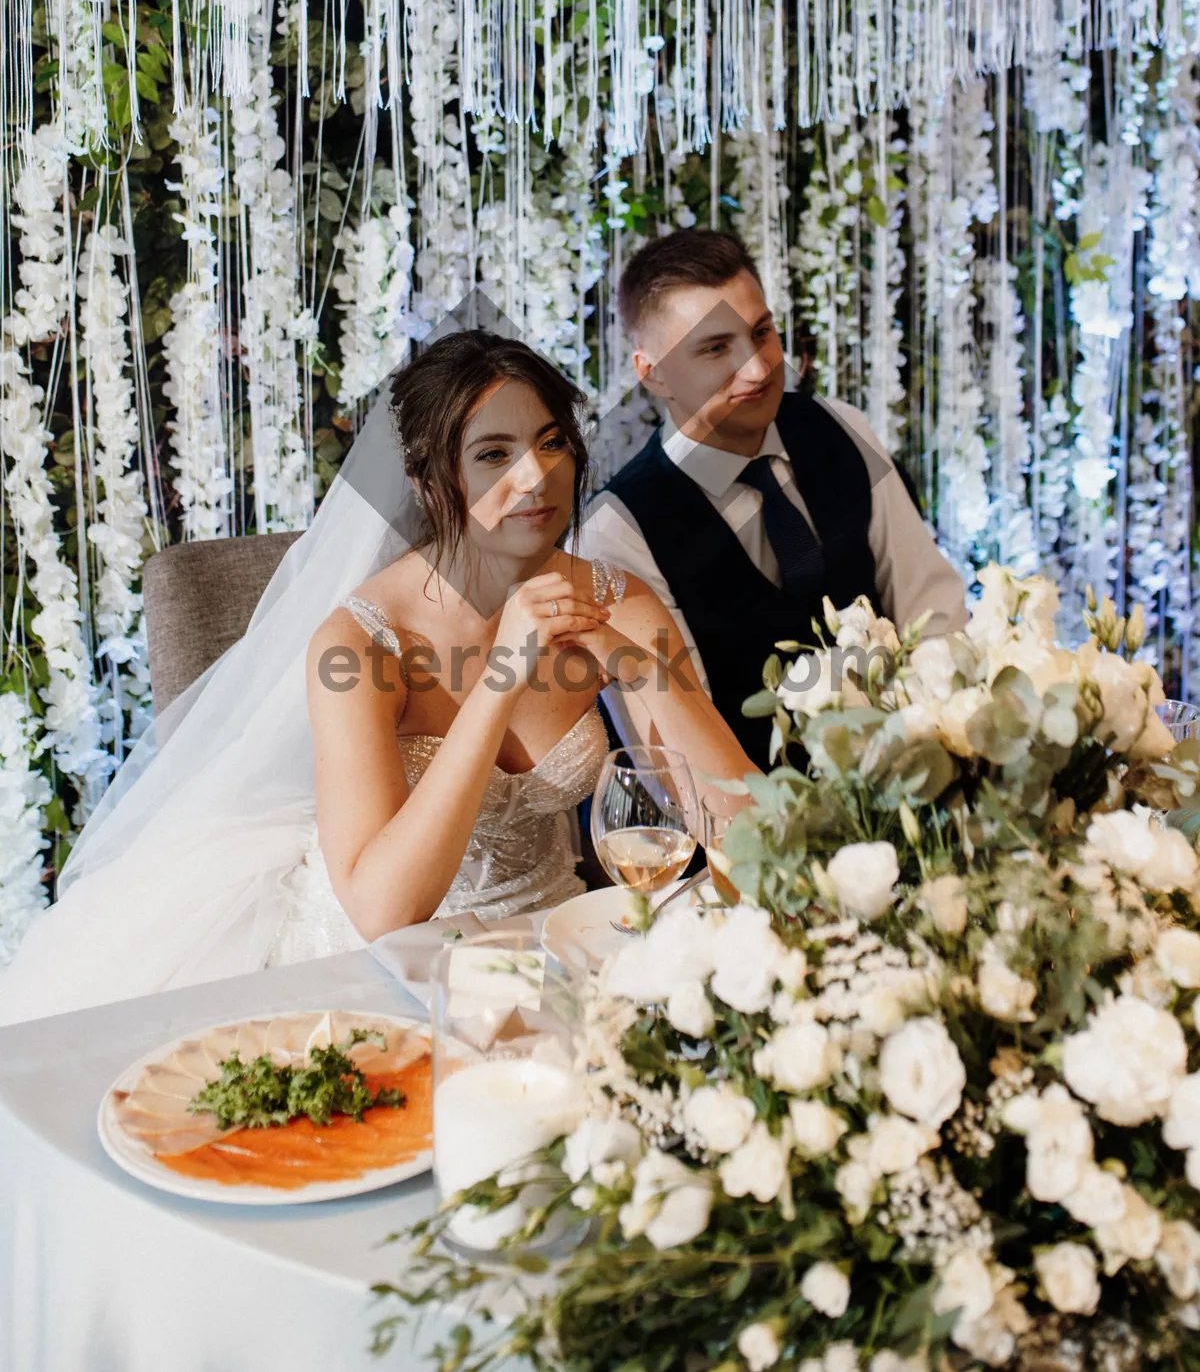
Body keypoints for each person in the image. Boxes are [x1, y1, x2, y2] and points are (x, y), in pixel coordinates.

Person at [0, 330, 753, 1025]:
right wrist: (499, 678)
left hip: (558, 948)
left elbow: (745, 831)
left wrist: (636, 664)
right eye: (494, 453)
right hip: (382, 972)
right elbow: (385, 909)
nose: (537, 476)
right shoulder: (360, 644)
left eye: (552, 441)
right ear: (432, 479)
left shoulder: (618, 598)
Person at [579, 229, 968, 763]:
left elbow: (935, 612)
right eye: (716, 348)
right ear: (653, 373)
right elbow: (674, 758)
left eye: (761, 333)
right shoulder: (617, 531)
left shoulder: (843, 428)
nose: (760, 369)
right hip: (750, 830)